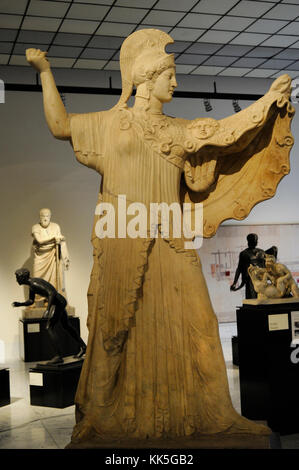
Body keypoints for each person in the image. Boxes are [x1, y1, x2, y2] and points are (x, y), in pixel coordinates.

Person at [25, 29, 294, 447]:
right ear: (147, 78)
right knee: (111, 331)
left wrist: (265, 101)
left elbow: (227, 131)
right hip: (122, 235)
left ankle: (218, 415)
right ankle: (98, 416)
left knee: (202, 325)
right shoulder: (112, 124)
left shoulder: (181, 130)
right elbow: (60, 125)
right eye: (171, 73)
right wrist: (44, 72)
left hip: (172, 237)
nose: (176, 82)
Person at [12, 268, 86, 364]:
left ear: (22, 277)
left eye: (17, 277)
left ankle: (59, 356)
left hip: (58, 303)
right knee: (66, 326)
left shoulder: (34, 284)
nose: (16, 280)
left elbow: (52, 292)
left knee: (49, 327)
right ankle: (83, 347)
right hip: (59, 302)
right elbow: (31, 301)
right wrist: (20, 304)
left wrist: (48, 309)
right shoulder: (32, 285)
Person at [32, 208, 69, 297]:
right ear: (40, 217)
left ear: (50, 217)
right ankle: (36, 300)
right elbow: (40, 240)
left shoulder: (55, 226)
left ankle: (49, 299)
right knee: (37, 278)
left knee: (53, 279)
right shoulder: (35, 227)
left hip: (53, 255)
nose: (45, 218)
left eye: (47, 216)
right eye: (43, 216)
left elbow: (60, 238)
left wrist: (60, 239)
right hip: (40, 256)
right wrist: (54, 237)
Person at [230, 233, 266, 299]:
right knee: (253, 299)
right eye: (252, 241)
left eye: (255, 241)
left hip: (261, 279)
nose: (254, 242)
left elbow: (267, 265)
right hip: (250, 280)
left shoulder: (262, 252)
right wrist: (235, 282)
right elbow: (239, 269)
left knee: (262, 298)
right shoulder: (244, 254)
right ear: (248, 242)